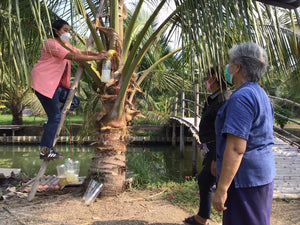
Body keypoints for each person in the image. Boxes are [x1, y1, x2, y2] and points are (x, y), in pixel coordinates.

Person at [212, 42, 276, 225]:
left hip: (245, 179)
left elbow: (236, 148)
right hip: (261, 174)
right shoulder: (260, 94)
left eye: (229, 62)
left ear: (237, 67)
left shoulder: (241, 98)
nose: (227, 67)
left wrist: (222, 189)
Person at [31, 19, 108, 160]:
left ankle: (51, 124)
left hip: (54, 86)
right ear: (56, 31)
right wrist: (97, 57)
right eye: (65, 30)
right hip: (44, 84)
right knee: (55, 117)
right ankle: (46, 151)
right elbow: (73, 56)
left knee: (74, 101)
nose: (68, 33)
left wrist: (97, 54)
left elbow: (79, 51)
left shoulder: (64, 45)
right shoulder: (51, 43)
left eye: (69, 30)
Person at [184, 65, 231, 225]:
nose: (205, 81)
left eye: (207, 77)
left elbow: (224, 130)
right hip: (210, 146)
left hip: (218, 148)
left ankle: (220, 218)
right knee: (205, 180)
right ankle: (202, 217)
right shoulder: (215, 97)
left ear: (215, 78)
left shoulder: (224, 99)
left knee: (216, 183)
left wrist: (216, 157)